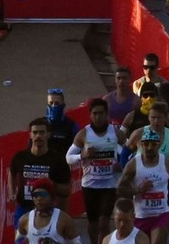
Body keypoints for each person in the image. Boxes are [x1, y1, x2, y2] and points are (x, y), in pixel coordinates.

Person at [70, 98, 129, 244]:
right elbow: (68, 157)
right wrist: (81, 155)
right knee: (93, 222)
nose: (98, 117)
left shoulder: (116, 133)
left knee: (104, 221)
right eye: (95, 114)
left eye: (101, 113)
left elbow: (130, 152)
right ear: (90, 115)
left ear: (107, 114)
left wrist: (122, 164)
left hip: (110, 184)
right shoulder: (84, 134)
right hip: (90, 185)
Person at [120, 126, 169, 244]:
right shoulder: (133, 164)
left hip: (162, 214)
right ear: (141, 145)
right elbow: (120, 189)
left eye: (153, 144)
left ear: (159, 145)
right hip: (140, 215)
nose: (149, 148)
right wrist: (137, 191)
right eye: (146, 144)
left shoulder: (168, 163)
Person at [12, 118, 73, 226]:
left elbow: (67, 190)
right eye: (35, 132)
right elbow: (11, 172)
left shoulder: (58, 160)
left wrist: (52, 185)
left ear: (48, 134)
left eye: (42, 132)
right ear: (30, 135)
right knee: (21, 241)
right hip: (23, 209)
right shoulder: (20, 157)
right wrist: (11, 193)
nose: (38, 136)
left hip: (47, 212)